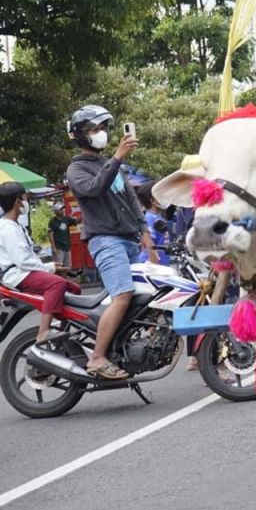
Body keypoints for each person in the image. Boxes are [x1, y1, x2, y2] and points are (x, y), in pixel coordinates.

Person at [65, 105, 156, 379]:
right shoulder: (76, 169)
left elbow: (131, 198)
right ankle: (97, 358)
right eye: (94, 129)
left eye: (103, 129)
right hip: (106, 240)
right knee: (123, 295)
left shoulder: (113, 166)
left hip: (128, 240)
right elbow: (94, 189)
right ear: (80, 135)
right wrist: (117, 156)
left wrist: (145, 233)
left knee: (142, 297)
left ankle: (124, 349)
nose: (101, 134)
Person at [0, 182, 82, 344]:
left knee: (74, 288)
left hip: (25, 271)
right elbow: (23, 261)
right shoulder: (9, 229)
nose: (27, 201)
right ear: (17, 203)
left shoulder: (16, 226)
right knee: (57, 285)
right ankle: (43, 332)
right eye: (25, 198)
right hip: (19, 275)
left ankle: (63, 329)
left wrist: (51, 268)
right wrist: (49, 268)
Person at [47, 202, 78, 271]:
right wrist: (53, 247)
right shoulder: (52, 222)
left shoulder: (66, 219)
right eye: (60, 209)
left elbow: (76, 221)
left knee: (67, 267)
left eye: (62, 209)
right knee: (59, 267)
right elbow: (50, 234)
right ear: (55, 211)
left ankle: (66, 280)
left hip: (67, 247)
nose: (62, 210)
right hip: (58, 248)